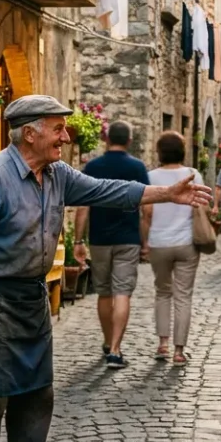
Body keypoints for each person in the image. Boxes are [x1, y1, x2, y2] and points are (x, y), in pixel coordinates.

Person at [0, 95, 212, 442]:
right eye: (57, 129)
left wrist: (167, 193)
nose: (65, 137)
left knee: (36, 395)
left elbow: (107, 191)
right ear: (29, 133)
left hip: (29, 298)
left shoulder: (56, 175)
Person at [73, 121, 149, 370]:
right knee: (123, 293)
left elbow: (83, 206)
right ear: (128, 141)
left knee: (104, 293)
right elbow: (146, 207)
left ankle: (107, 342)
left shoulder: (93, 167)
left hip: (100, 239)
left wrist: (78, 240)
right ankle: (115, 350)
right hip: (128, 238)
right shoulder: (137, 167)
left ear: (106, 140)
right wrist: (145, 240)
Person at [141, 132, 204, 366]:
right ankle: (179, 351)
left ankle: (162, 344)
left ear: (160, 152)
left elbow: (146, 214)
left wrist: (145, 243)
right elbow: (203, 205)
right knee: (184, 296)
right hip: (186, 242)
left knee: (162, 292)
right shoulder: (193, 175)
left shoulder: (150, 176)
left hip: (159, 242)